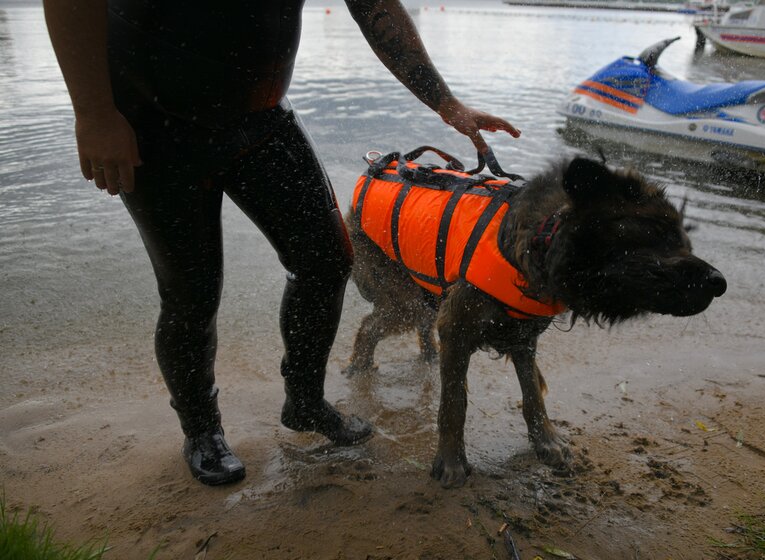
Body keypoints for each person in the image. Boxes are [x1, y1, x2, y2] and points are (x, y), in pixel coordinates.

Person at [42, 0, 520, 486]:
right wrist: (95, 113)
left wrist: (446, 103)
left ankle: (306, 402)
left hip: (261, 117)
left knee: (328, 259)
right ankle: (203, 431)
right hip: (155, 120)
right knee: (192, 292)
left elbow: (375, 7)